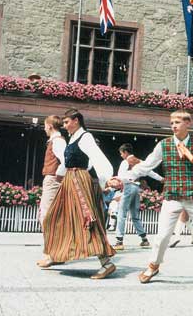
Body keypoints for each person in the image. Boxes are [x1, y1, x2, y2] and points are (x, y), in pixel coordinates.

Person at [116, 110, 193, 289]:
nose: (173, 125)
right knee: (162, 236)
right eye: (172, 123)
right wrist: (122, 178)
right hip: (172, 197)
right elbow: (145, 166)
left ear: (188, 123)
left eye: (177, 122)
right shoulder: (164, 145)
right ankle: (153, 266)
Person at [42, 109, 116, 279]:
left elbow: (97, 158)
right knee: (57, 217)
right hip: (70, 179)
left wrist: (107, 179)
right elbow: (67, 162)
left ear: (76, 120)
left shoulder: (85, 137)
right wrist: (60, 176)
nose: (65, 126)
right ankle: (57, 254)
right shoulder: (73, 138)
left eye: (67, 122)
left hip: (78, 180)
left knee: (87, 218)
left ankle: (107, 263)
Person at [113, 143, 163, 251]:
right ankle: (144, 239)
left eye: (121, 153)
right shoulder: (140, 161)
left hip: (128, 186)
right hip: (136, 188)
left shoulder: (125, 162)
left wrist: (116, 180)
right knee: (135, 214)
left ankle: (119, 240)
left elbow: (121, 176)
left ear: (125, 152)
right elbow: (150, 172)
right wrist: (161, 179)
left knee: (122, 213)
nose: (121, 155)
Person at [36, 116, 66, 268]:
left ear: (49, 126)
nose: (44, 128)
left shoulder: (57, 141)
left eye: (45, 125)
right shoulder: (56, 140)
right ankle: (57, 253)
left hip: (52, 179)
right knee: (53, 217)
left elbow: (65, 161)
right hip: (53, 179)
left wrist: (58, 176)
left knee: (46, 217)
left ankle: (49, 255)